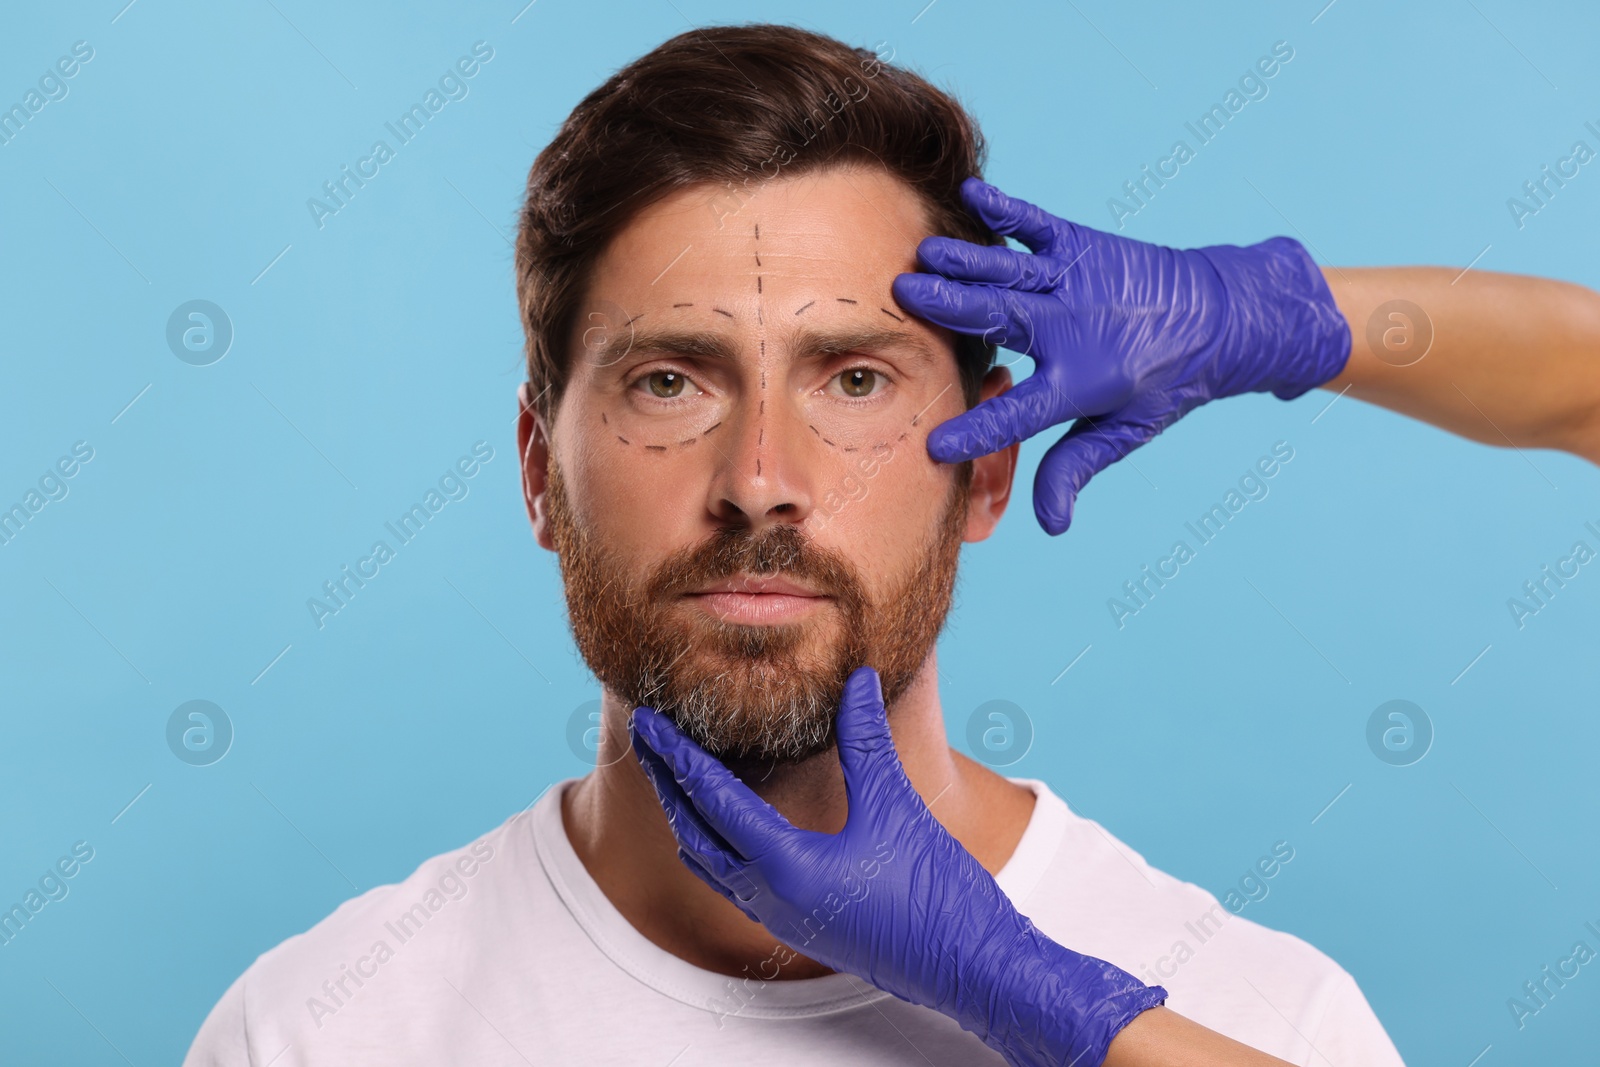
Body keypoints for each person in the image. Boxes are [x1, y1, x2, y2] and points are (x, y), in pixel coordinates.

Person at [183, 23, 1600, 1067]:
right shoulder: (321, 1029)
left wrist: (1046, 1004)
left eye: (855, 380)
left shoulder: (1258, 1016)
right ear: (536, 475)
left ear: (988, 465)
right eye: (669, 380)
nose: (759, 481)